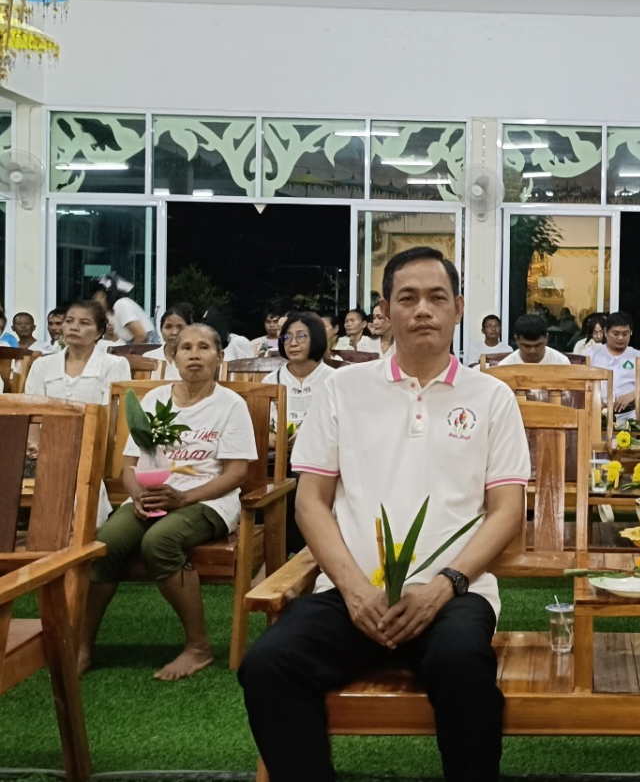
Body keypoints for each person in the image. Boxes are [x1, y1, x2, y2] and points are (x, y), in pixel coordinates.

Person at [239, 246, 530, 782]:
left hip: (453, 596)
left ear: (458, 308)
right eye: (408, 298)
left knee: (463, 665)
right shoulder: (342, 390)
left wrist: (444, 586)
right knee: (268, 665)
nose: (423, 309)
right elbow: (311, 501)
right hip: (354, 594)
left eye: (437, 297)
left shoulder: (491, 397)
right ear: (386, 311)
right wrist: (353, 591)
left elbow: (507, 510)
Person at [81, 324, 258, 681]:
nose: (194, 354)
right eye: (186, 347)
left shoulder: (230, 405)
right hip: (152, 495)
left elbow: (236, 473)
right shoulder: (154, 400)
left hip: (209, 500)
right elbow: (129, 466)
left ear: (220, 357)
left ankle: (198, 647)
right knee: (104, 545)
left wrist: (184, 498)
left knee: (159, 541)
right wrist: (137, 495)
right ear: (173, 357)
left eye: (204, 347)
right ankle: (82, 645)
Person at [24, 300, 132, 528]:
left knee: (74, 470)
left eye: (84, 323)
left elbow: (109, 419)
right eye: (69, 321)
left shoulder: (114, 364)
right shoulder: (43, 365)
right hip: (45, 448)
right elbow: (31, 412)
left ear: (99, 332)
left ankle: (75, 535)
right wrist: (34, 444)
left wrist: (70, 446)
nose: (73, 327)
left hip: (95, 446)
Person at [264, 311, 337, 555]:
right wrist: (273, 440)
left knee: (297, 483)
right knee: (278, 483)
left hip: (319, 462)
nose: (293, 343)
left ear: (316, 338)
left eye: (301, 336)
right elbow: (257, 425)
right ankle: (282, 554)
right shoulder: (271, 379)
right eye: (287, 338)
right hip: (275, 458)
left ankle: (306, 554)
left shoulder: (335, 380)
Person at [588, 311, 640, 422]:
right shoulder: (591, 355)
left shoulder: (639, 356)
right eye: (616, 333)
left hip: (631, 414)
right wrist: (594, 399)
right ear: (605, 332)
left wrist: (634, 394)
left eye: (625, 334)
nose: (620, 338)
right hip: (597, 413)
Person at [92, 273, 155, 345]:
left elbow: (141, 336)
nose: (93, 298)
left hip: (147, 346)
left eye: (96, 293)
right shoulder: (111, 313)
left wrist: (129, 354)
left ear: (105, 294)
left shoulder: (121, 304)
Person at [495, 313, 571, 366]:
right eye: (526, 346)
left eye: (538, 345)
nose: (533, 351)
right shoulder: (505, 366)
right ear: (516, 340)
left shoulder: (561, 363)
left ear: (547, 338)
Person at [144, 304, 195, 380]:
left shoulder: (196, 359)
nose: (174, 332)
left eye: (180, 327)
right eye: (168, 327)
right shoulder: (148, 357)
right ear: (161, 330)